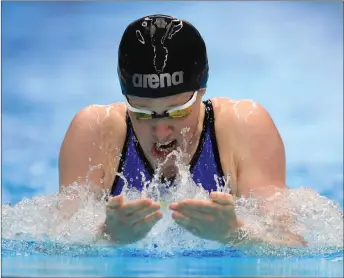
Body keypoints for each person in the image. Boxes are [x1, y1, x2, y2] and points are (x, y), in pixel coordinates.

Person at [58, 14, 306, 247]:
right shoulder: (95, 132)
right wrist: (107, 236)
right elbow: (56, 240)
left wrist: (235, 233)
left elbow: (292, 243)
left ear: (202, 90)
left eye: (178, 111)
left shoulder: (244, 126)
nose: (161, 131)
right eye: (142, 113)